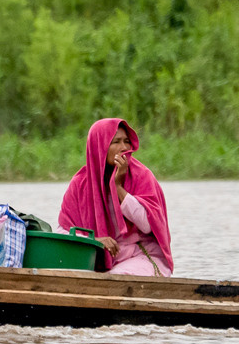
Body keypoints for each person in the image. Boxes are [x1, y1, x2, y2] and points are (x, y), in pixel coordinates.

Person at [56, 117, 173, 275]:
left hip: (143, 257)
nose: (124, 147)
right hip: (102, 262)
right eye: (116, 142)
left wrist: (117, 187)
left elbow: (147, 224)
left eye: (126, 141)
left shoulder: (142, 175)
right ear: (99, 147)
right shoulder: (80, 184)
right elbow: (62, 232)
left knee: (113, 278)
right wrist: (94, 240)